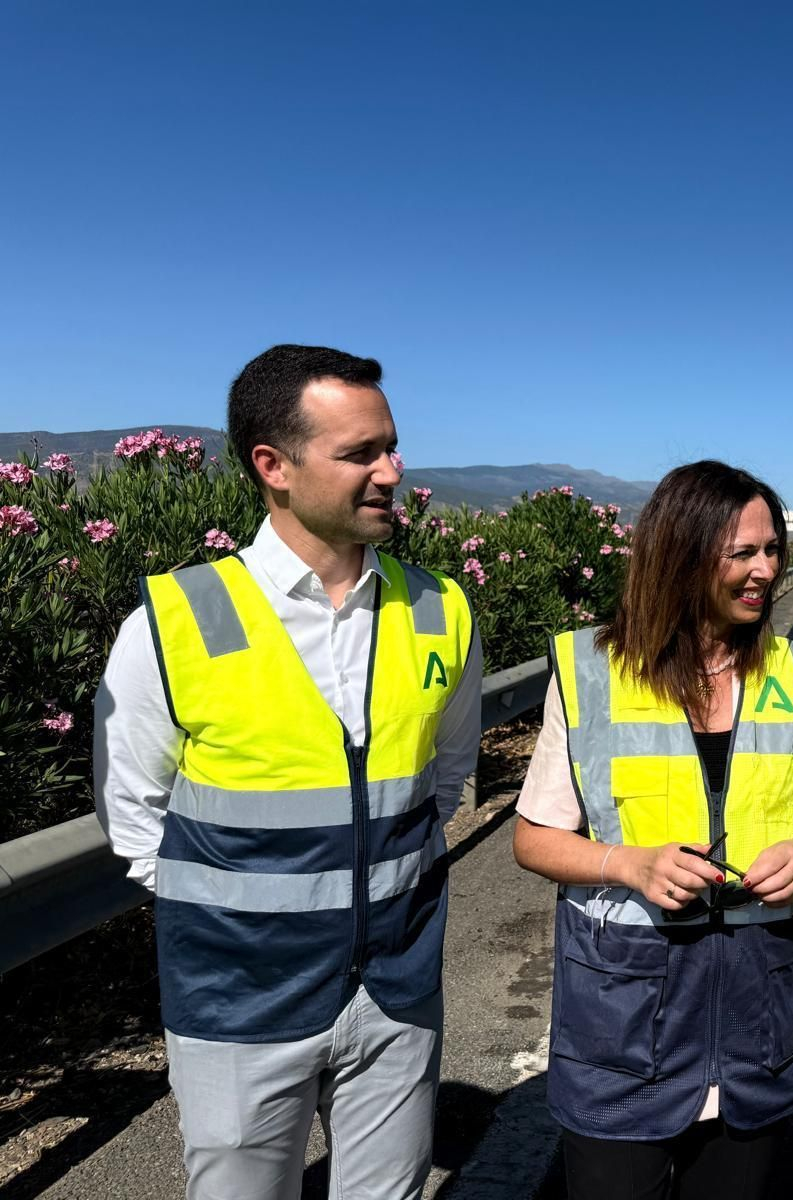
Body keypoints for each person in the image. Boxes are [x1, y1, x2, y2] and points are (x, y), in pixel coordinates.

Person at [94, 345, 482, 1199]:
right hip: (237, 1002)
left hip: (396, 987)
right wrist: (242, 923)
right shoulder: (174, 621)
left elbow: (444, 784)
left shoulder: (441, 609)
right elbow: (134, 815)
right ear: (273, 465)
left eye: (391, 445)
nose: (392, 470)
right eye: (360, 454)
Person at [513, 460, 793, 1200]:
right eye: (743, 553)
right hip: (625, 1026)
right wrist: (629, 865)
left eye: (772, 550)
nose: (765, 571)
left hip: (759, 1018)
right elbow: (534, 839)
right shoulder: (593, 672)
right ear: (682, 554)